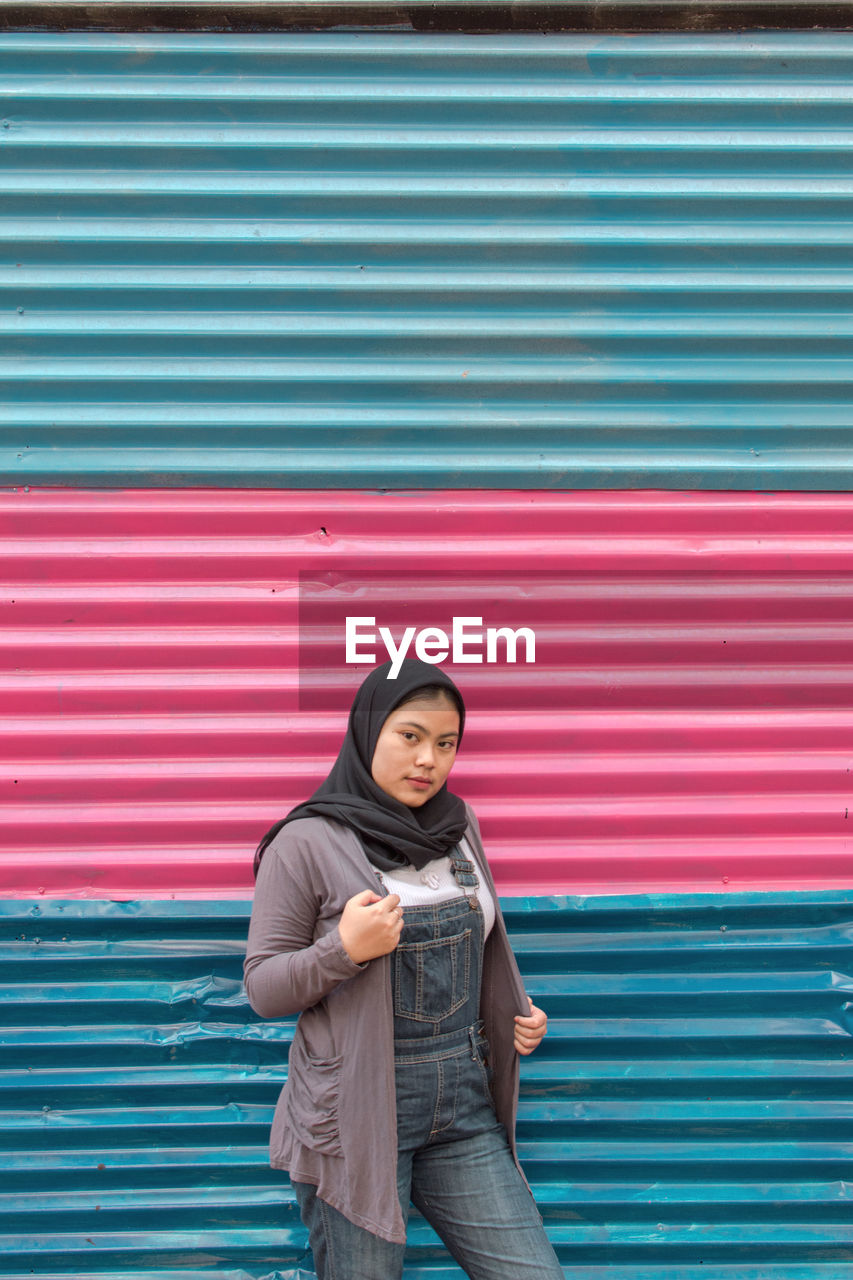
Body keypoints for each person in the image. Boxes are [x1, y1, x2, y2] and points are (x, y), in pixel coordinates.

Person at [244, 658, 563, 1280]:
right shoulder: (306, 842)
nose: (428, 761)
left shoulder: (459, 826)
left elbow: (485, 946)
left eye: (446, 744)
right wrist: (344, 949)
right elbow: (262, 987)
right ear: (368, 733)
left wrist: (513, 1017)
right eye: (409, 736)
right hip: (358, 1115)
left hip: (463, 1108)